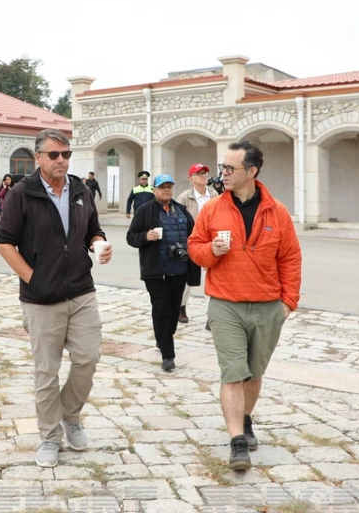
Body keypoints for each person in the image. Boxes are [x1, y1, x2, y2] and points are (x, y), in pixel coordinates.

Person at [0, 128, 111, 468]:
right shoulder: (22, 193)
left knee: (88, 357)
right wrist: (34, 278)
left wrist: (99, 244)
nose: (61, 160)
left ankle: (69, 416)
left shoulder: (79, 189)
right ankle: (49, 436)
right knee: (47, 371)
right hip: (40, 299)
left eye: (66, 154)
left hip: (81, 290)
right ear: (38, 157)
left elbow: (93, 229)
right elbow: (5, 243)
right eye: (54, 155)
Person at [187, 140, 301, 471]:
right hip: (225, 304)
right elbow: (194, 248)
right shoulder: (212, 209)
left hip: (267, 306)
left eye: (229, 168)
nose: (222, 173)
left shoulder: (277, 212)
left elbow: (290, 259)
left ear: (251, 171)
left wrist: (287, 304)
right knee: (233, 372)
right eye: (222, 167)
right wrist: (212, 251)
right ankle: (237, 440)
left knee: (254, 372)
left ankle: (246, 418)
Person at [126, 173, 200, 372]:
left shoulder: (182, 211)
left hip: (179, 270)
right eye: (162, 187)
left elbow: (194, 238)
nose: (166, 190)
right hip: (156, 272)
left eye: (169, 187)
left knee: (174, 310)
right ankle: (168, 355)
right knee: (161, 310)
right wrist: (145, 236)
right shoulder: (144, 211)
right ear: (154, 190)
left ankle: (163, 338)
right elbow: (131, 237)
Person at [175, 163, 215, 325]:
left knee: (212, 278)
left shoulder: (214, 194)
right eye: (199, 173)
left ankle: (212, 316)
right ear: (191, 178)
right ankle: (181, 308)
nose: (203, 176)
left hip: (211, 241)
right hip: (192, 241)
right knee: (186, 279)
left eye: (205, 173)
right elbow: (177, 220)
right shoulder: (184, 197)